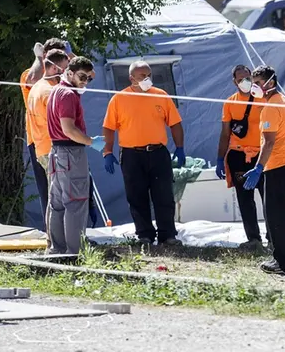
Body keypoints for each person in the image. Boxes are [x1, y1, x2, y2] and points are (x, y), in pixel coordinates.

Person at [102, 61, 185, 246]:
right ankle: (145, 235)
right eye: (142, 76)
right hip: (132, 155)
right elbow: (108, 127)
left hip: (158, 153)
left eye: (149, 75)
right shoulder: (119, 99)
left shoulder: (161, 95)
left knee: (163, 195)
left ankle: (167, 234)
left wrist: (180, 147)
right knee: (136, 196)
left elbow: (175, 123)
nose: (147, 79)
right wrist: (107, 151)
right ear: (131, 78)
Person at [242, 65, 285, 275]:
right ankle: (281, 258)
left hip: (278, 165)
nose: (253, 87)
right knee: (279, 214)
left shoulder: (270, 107)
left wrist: (258, 167)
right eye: (252, 83)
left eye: (257, 83)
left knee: (276, 217)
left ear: (270, 83)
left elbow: (268, 142)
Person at [45, 57, 104, 254]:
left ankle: (57, 249)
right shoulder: (68, 95)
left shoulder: (55, 90)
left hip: (56, 152)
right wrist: (90, 142)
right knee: (76, 202)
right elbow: (69, 129)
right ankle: (75, 251)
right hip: (71, 152)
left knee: (58, 203)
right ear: (69, 73)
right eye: (82, 77)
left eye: (88, 78)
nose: (85, 82)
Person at [20, 39, 71, 228]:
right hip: (40, 142)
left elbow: (85, 74)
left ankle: (76, 232)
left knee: (70, 192)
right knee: (50, 192)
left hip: (66, 141)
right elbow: (31, 79)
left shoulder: (63, 80)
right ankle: (55, 234)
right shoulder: (33, 76)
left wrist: (69, 56)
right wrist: (39, 58)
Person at [215, 65, 266, 249]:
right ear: (234, 82)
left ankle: (274, 235)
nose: (245, 81)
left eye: (248, 77)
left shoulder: (264, 99)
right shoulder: (230, 102)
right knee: (245, 199)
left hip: (262, 155)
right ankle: (253, 238)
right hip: (238, 156)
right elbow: (224, 134)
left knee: (268, 197)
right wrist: (220, 159)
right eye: (240, 79)